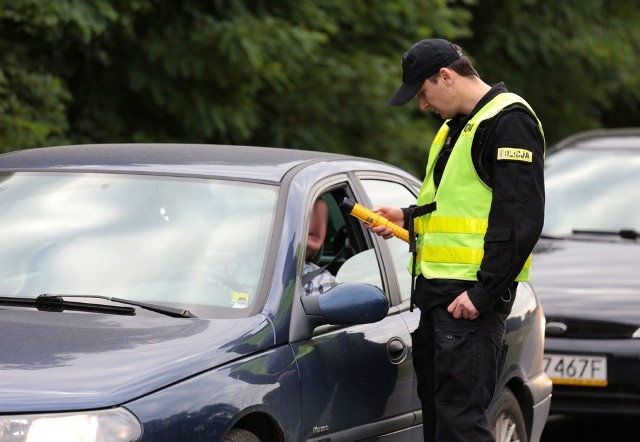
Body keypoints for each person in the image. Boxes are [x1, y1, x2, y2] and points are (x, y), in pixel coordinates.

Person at [369, 39, 545, 442]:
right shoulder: (457, 127)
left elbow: (520, 221)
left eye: (423, 92)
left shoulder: (509, 121)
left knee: (459, 426)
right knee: (440, 422)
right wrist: (407, 218)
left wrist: (483, 295)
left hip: (469, 304)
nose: (422, 105)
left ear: (445, 76)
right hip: (439, 298)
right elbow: (456, 208)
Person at [302, 197, 338, 296]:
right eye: (310, 214)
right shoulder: (257, 275)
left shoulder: (324, 283)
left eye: (323, 218)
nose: (318, 224)